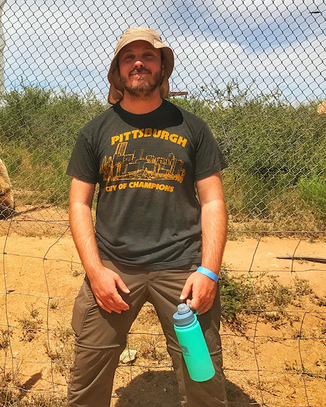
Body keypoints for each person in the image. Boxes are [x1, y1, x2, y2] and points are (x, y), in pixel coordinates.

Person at [65, 27, 228, 407]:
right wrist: (95, 271)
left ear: (162, 67)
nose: (139, 62)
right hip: (114, 271)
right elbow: (78, 205)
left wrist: (208, 272)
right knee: (87, 378)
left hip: (183, 272)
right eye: (129, 57)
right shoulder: (95, 132)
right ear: (118, 71)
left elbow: (213, 202)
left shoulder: (193, 128)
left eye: (149, 56)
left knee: (203, 379)